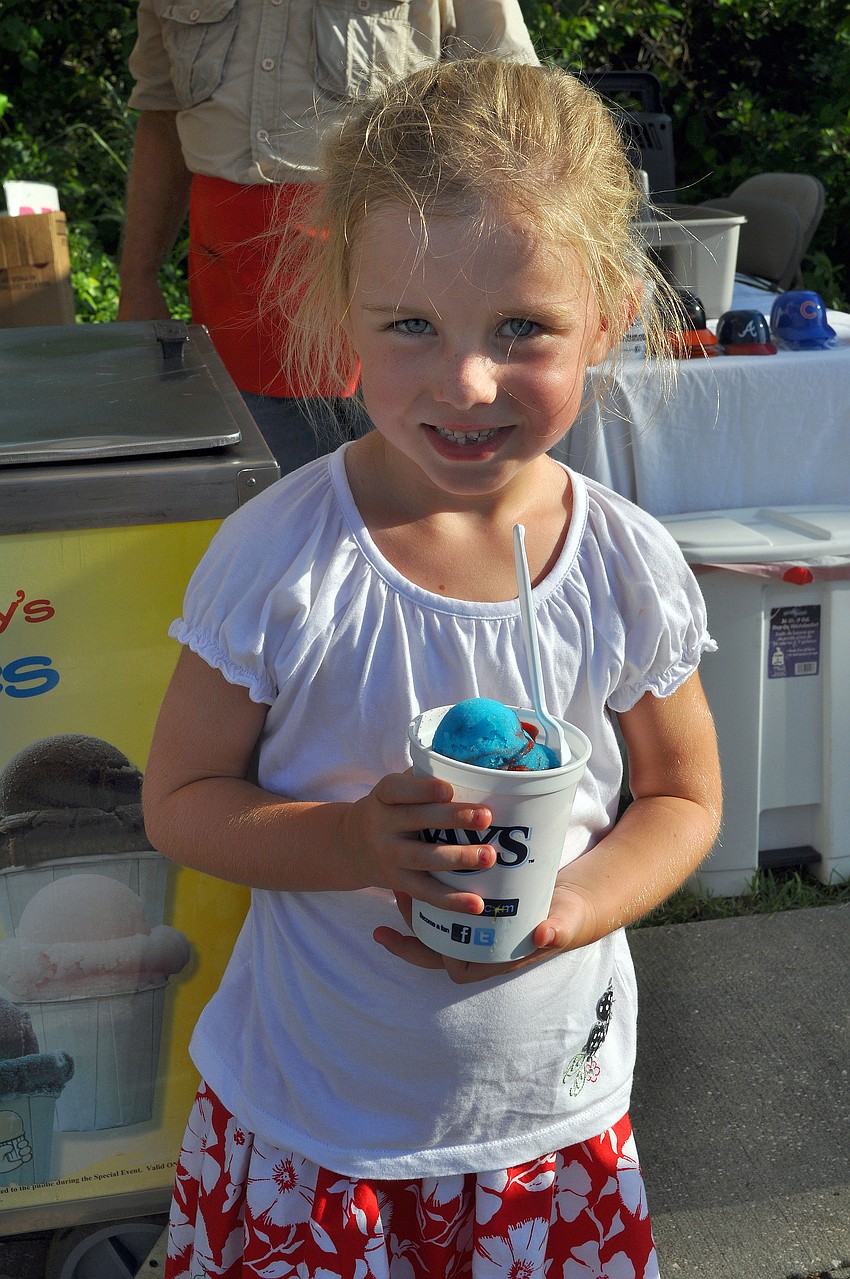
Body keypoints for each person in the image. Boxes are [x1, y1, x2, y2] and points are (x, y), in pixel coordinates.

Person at [142, 58, 722, 1279]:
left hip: (547, 1132)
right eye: (411, 325)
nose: (466, 382)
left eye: (522, 328)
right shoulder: (281, 560)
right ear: (342, 317)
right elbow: (181, 801)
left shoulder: (623, 565)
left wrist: (572, 906)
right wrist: (352, 841)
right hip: (315, 1132)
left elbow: (680, 798)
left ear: (607, 317)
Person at [117, 0, 538, 470]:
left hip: (405, 297)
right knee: (265, 496)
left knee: (410, 494)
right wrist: (138, 279)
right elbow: (161, 118)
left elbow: (511, 108)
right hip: (233, 307)